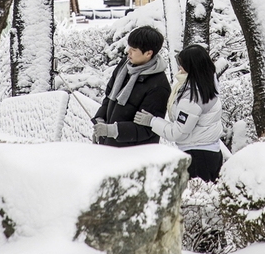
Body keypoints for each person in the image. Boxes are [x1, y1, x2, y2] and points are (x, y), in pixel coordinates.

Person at [134, 44, 223, 182]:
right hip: (208, 154)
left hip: (198, 158)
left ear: (192, 67)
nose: (179, 68)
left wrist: (152, 121)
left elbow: (178, 133)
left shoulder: (193, 96)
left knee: (194, 201)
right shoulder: (206, 84)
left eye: (182, 64)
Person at [92, 25, 171, 147]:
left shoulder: (159, 87)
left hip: (135, 154)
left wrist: (112, 130)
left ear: (148, 53)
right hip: (110, 147)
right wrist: (100, 119)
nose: (128, 52)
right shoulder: (125, 66)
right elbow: (109, 95)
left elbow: (147, 129)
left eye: (133, 50)